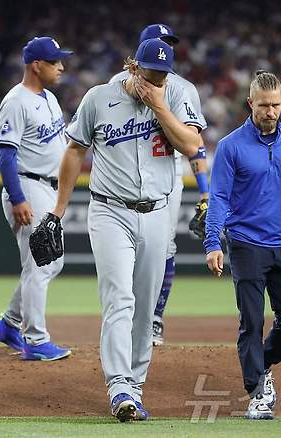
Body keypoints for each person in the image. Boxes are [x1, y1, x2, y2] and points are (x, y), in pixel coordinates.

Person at [43, 38, 200, 421]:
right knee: (120, 299)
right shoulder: (99, 98)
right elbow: (74, 151)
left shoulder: (175, 95)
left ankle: (135, 384)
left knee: (145, 309)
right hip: (110, 211)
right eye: (151, 73)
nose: (158, 79)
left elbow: (193, 145)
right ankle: (119, 388)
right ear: (133, 68)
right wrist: (57, 212)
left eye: (163, 74)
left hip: (159, 213)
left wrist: (160, 106)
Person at [204, 70, 281, 420]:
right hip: (245, 243)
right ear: (250, 103)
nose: (270, 112)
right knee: (252, 319)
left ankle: (265, 362)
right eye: (264, 106)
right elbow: (219, 198)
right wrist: (213, 242)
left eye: (276, 105)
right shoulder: (230, 146)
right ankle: (257, 391)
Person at [109, 23, 209, 346]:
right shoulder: (115, 86)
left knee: (162, 249)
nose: (165, 47)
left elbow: (196, 144)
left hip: (165, 181)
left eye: (168, 43)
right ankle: (127, 319)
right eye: (158, 42)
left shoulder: (181, 89)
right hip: (123, 183)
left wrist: (205, 190)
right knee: (124, 256)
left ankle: (153, 319)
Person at [0, 36, 73, 361]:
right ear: (37, 65)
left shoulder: (49, 98)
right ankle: (35, 340)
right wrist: (17, 197)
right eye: (55, 61)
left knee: (54, 261)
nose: (62, 66)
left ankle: (9, 323)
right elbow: (6, 156)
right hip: (27, 186)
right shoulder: (15, 101)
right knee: (40, 262)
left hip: (48, 188)